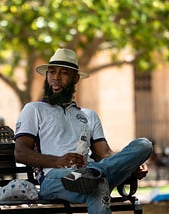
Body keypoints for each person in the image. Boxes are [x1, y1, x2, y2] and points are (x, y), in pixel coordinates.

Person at [14, 48, 153, 214]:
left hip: (89, 174)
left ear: (75, 78)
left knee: (144, 145)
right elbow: (20, 152)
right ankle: (92, 174)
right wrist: (58, 161)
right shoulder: (34, 109)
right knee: (97, 181)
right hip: (54, 178)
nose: (56, 78)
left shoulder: (89, 115)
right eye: (52, 72)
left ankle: (92, 174)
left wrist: (129, 164)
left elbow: (105, 154)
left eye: (64, 73)